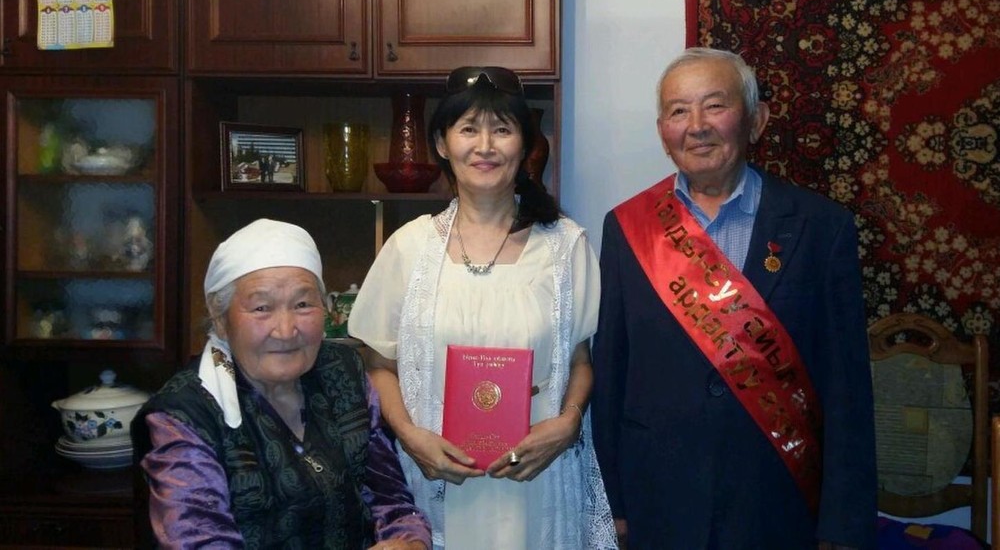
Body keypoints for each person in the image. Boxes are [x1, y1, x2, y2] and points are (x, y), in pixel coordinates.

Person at [591, 47, 877, 549]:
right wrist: (611, 502)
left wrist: (843, 524)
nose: (696, 126)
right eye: (679, 111)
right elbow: (611, 371)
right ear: (662, 131)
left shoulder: (820, 227)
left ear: (756, 120)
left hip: (777, 500)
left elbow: (847, 387)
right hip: (658, 498)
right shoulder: (627, 228)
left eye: (715, 106)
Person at [349, 66, 617, 549]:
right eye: (469, 129)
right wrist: (409, 434)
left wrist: (568, 422)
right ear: (442, 143)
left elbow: (581, 358)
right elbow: (378, 363)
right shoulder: (409, 248)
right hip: (436, 479)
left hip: (536, 482)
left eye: (502, 130)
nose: (485, 146)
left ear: (525, 145)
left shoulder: (565, 246)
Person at [131, 218, 431, 549]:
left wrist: (408, 541)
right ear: (220, 318)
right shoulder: (184, 415)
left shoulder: (343, 372)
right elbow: (197, 538)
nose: (286, 330)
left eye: (303, 305)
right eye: (262, 308)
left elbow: (390, 499)